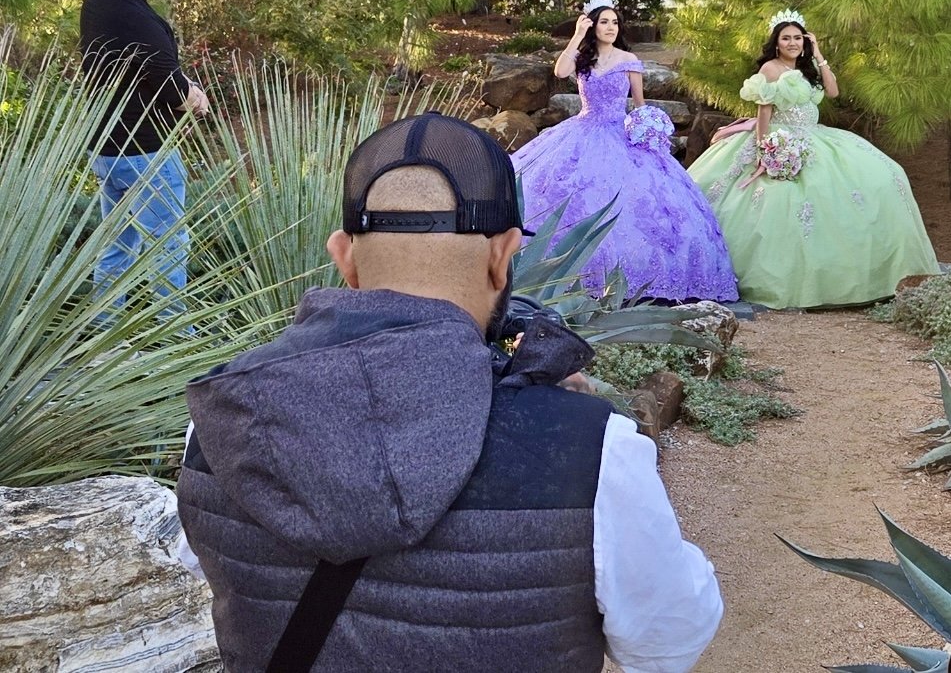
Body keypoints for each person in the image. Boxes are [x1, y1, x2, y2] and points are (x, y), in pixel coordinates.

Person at [176, 111, 723, 673]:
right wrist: (559, 424)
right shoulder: (596, 450)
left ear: (344, 258)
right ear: (501, 255)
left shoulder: (218, 417)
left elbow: (220, 568)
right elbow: (667, 642)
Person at [687, 9, 940, 308]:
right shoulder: (770, 68)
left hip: (814, 135)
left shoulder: (808, 68)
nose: (792, 43)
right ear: (776, 42)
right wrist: (766, 150)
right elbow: (764, 112)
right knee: (781, 199)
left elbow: (832, 91)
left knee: (887, 173)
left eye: (797, 38)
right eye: (786, 38)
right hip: (781, 137)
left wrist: (818, 53)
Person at [510, 0, 738, 302]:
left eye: (615, 22)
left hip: (620, 132)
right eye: (604, 22)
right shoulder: (582, 58)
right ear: (592, 25)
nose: (610, 27)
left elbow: (640, 106)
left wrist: (649, 134)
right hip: (584, 129)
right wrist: (577, 36)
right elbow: (560, 72)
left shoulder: (629, 61)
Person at [80, 0, 209, 322]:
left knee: (118, 244)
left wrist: (180, 84)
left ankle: (104, 334)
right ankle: (172, 340)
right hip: (144, 152)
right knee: (169, 244)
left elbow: (144, 67)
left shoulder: (98, 1)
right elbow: (168, 84)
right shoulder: (138, 19)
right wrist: (196, 99)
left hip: (106, 148)